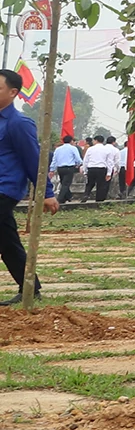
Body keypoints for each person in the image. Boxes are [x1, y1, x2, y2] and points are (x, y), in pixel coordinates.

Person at [0, 69, 55, 301]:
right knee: (6, 240)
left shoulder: (18, 123)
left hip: (4, 189)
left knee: (7, 240)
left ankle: (31, 289)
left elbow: (34, 159)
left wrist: (47, 193)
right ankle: (30, 288)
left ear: (13, 93)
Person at [50, 133, 82, 205]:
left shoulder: (58, 149)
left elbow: (54, 160)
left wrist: (52, 169)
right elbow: (78, 158)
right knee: (66, 184)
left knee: (63, 183)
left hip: (60, 168)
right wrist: (79, 164)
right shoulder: (73, 148)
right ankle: (59, 200)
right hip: (69, 168)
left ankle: (68, 196)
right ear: (71, 141)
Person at [84, 133, 114, 202]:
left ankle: (86, 194)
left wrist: (85, 170)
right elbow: (109, 162)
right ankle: (99, 200)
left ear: (96, 140)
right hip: (101, 168)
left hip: (91, 168)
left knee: (89, 183)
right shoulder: (106, 149)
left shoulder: (90, 149)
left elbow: (85, 160)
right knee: (100, 185)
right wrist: (109, 173)